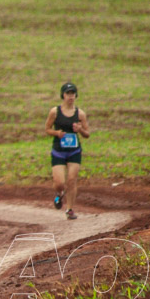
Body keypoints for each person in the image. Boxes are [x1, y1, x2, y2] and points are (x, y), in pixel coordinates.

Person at [45, 82, 90, 220]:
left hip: (74, 151)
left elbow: (87, 134)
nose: (70, 96)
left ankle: (70, 209)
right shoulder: (55, 112)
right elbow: (47, 129)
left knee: (71, 180)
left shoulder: (80, 113)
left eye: (72, 94)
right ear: (63, 95)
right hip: (58, 150)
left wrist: (80, 129)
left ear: (76, 95)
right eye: (68, 93)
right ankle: (59, 194)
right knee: (59, 183)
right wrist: (57, 133)